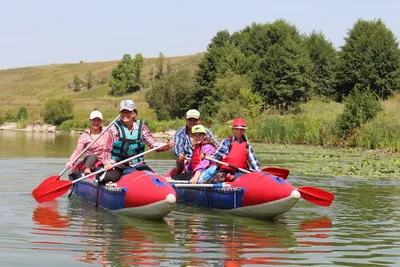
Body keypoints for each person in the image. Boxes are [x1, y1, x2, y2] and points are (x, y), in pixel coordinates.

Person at [100, 99, 174, 184]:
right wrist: (107, 163)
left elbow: (153, 144)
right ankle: (100, 178)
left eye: (128, 112)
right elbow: (106, 149)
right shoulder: (114, 128)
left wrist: (166, 145)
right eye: (123, 112)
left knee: (155, 177)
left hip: (138, 164)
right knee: (109, 177)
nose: (125, 115)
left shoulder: (141, 127)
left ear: (134, 114)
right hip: (118, 164)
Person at [206, 118, 261, 183]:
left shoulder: (247, 145)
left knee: (240, 182)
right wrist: (209, 158)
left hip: (241, 171)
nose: (239, 132)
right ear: (233, 129)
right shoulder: (227, 142)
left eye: (241, 130)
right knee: (215, 180)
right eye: (237, 129)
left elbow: (253, 162)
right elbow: (218, 155)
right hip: (225, 170)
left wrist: (260, 173)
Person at [66, 110, 113, 176]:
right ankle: (87, 169)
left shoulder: (107, 132)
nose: (96, 122)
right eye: (94, 120)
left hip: (104, 161)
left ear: (101, 121)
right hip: (90, 160)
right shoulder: (84, 136)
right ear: (90, 121)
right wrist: (71, 162)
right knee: (93, 156)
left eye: (98, 120)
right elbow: (78, 151)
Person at [173, 109, 219, 174]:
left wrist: (211, 156)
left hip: (204, 159)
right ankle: (182, 173)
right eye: (190, 120)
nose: (192, 122)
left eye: (195, 120)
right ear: (186, 120)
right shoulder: (180, 133)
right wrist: (182, 156)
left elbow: (217, 147)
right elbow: (177, 148)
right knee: (180, 159)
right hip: (187, 160)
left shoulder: (206, 131)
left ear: (199, 120)